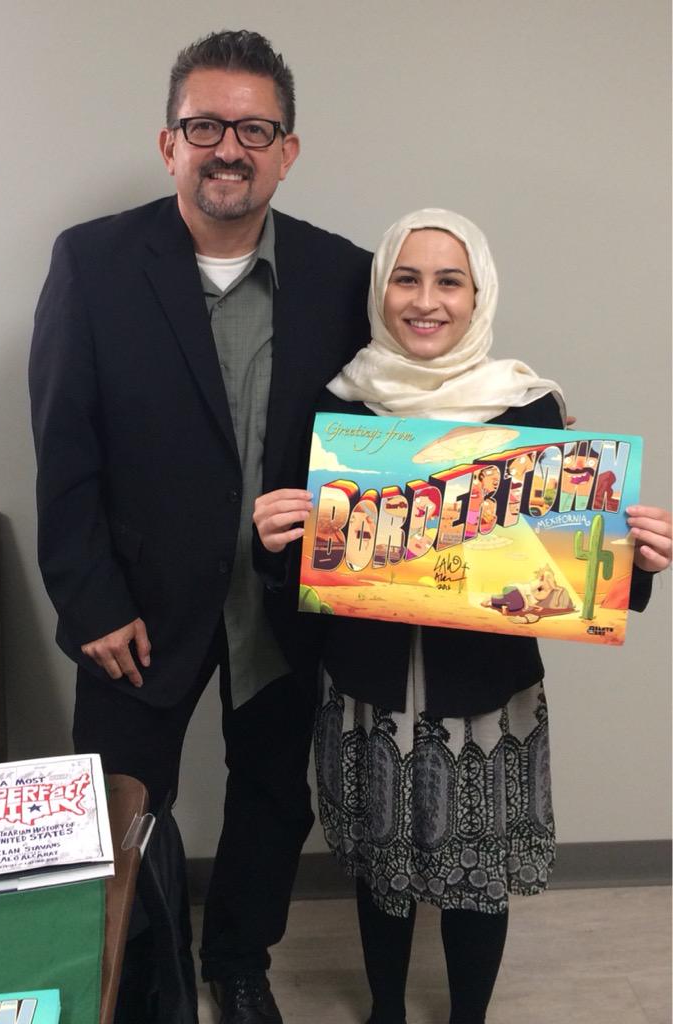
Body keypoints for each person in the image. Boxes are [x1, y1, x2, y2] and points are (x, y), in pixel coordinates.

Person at [254, 208, 672, 1024]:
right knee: (381, 871)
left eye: (450, 281)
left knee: (479, 877)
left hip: (486, 694)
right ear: (381, 291)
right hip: (367, 688)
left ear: (479, 295)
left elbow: (564, 571)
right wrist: (273, 543)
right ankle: (385, 1012)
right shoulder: (343, 405)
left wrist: (636, 561)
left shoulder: (527, 405)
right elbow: (309, 561)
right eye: (406, 279)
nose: (426, 300)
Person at [29, 29, 371, 1024]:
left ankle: (239, 962)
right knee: (124, 807)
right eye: (205, 125)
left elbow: (391, 429)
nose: (229, 147)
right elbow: (63, 443)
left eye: (254, 129)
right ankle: (140, 979)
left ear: (287, 149)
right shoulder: (93, 263)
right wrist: (88, 600)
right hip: (134, 608)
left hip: (282, 603)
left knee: (272, 797)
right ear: (168, 141)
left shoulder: (342, 274)